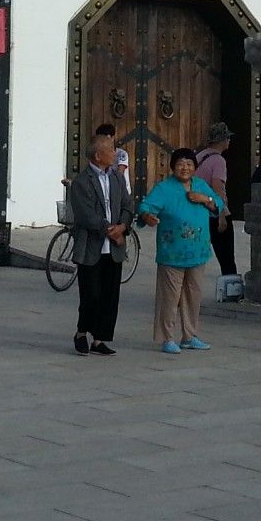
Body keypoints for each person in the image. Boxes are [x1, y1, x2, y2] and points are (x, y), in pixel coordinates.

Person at [138, 148, 227, 354]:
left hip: (198, 252)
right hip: (172, 253)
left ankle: (190, 335)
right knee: (169, 297)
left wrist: (206, 200)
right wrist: (147, 217)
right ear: (172, 167)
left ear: (195, 167)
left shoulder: (200, 185)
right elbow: (145, 207)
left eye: (189, 164)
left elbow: (219, 203)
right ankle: (167, 338)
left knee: (193, 295)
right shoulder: (164, 188)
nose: (185, 168)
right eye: (180, 164)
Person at [68, 123, 136, 355]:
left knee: (110, 295)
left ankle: (100, 338)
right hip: (92, 247)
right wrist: (111, 230)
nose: (115, 153)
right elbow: (86, 215)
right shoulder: (81, 182)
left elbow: (128, 204)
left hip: (114, 248)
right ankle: (81, 331)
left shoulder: (117, 178)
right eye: (111, 150)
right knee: (91, 295)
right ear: (98, 156)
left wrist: (124, 226)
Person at [192, 121, 240, 296]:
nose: (229, 141)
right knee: (226, 256)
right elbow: (217, 187)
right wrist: (221, 215)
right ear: (221, 140)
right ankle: (231, 292)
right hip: (214, 212)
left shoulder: (199, 157)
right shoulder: (218, 160)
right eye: (227, 137)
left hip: (198, 212)